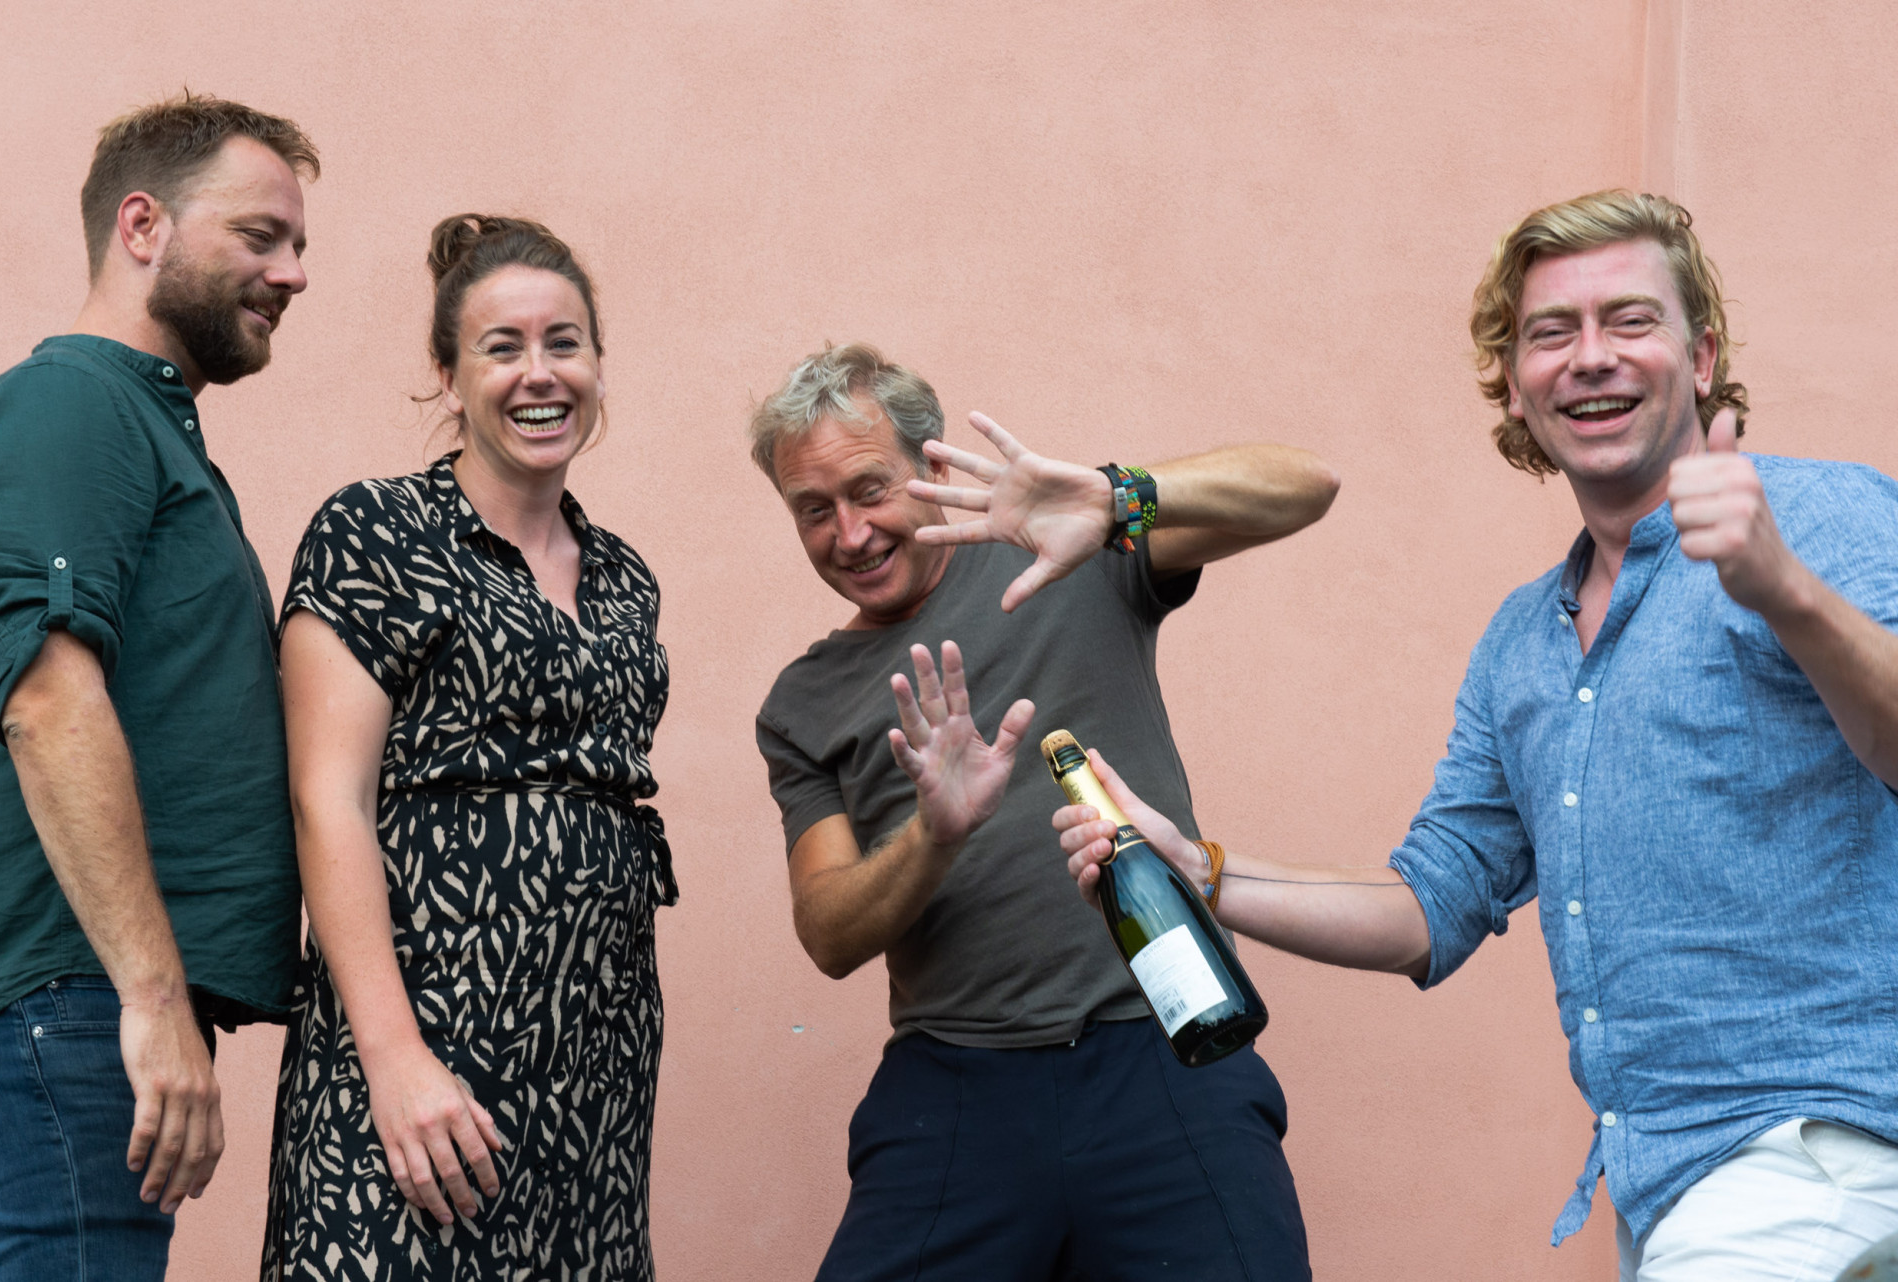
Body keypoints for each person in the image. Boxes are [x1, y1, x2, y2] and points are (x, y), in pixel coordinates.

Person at [1055, 191, 1898, 1281]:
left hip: (1824, 1158)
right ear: (1514, 384)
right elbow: (1432, 903)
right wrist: (1200, 874)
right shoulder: (1521, 644)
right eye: (1552, 332)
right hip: (1673, 1188)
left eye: (1630, 320)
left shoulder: (1828, 518)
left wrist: (1784, 590)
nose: (1590, 356)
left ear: (1702, 358)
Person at [750, 342, 1340, 1280]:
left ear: (930, 464)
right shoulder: (803, 703)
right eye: (813, 510)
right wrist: (933, 835)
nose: (850, 533)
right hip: (955, 1085)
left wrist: (1112, 498)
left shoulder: (1069, 552)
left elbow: (1305, 486)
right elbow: (828, 933)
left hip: (1167, 1046)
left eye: (870, 490)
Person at [261, 216, 677, 1280]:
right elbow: (327, 801)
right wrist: (395, 1061)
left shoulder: (625, 578)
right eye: (502, 347)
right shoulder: (377, 531)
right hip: (427, 1048)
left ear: (597, 365)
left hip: (595, 1068)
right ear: (447, 377)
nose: (540, 374)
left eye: (564, 343)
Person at [0, 94, 316, 1279]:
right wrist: (152, 998)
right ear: (142, 225)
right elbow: (44, 700)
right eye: (260, 235)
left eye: (299, 244)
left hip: (83, 1008)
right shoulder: (70, 402)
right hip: (71, 1006)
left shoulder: (148, 429)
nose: (294, 272)